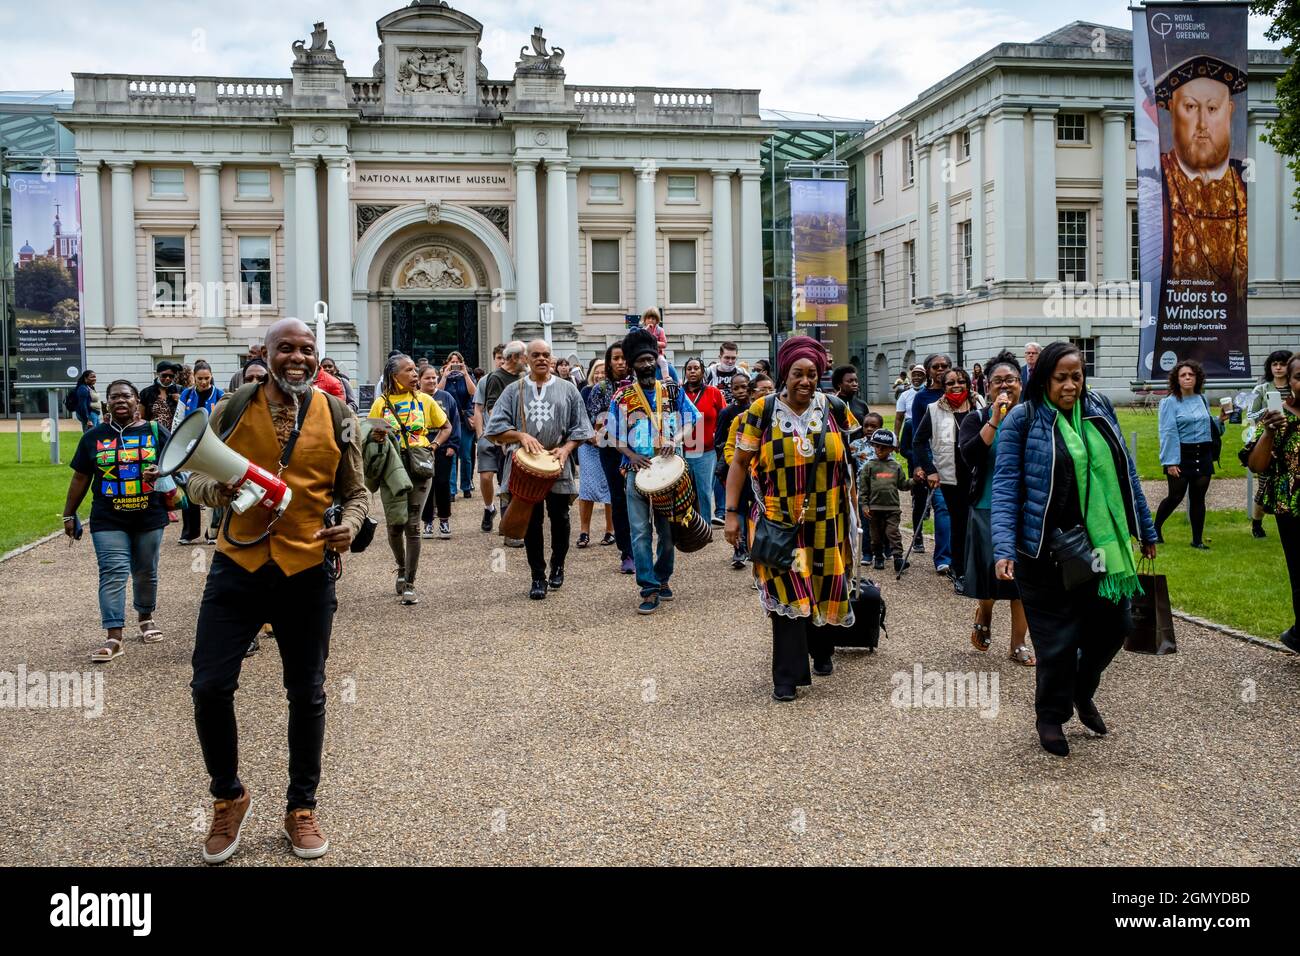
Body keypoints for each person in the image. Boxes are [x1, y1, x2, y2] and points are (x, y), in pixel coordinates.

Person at [186, 318, 368, 863]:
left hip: (307, 569)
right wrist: (215, 491)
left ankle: (301, 808)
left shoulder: (337, 413)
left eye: (306, 349)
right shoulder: (233, 406)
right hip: (236, 565)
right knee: (209, 686)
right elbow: (188, 477)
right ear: (264, 354)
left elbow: (356, 492)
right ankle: (228, 796)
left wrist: (352, 526)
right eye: (285, 348)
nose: (297, 357)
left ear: (317, 356)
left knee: (307, 692)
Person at [992, 341, 1157, 757]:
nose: (1070, 386)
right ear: (1044, 379)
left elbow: (1125, 473)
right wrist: (1004, 547)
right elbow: (1007, 486)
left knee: (1114, 627)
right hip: (1043, 552)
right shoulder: (1022, 421)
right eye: (1061, 378)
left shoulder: (1099, 408)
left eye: (1076, 377)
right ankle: (1050, 716)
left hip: (1100, 548)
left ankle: (1082, 693)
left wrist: (1145, 528)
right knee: (1058, 643)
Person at [726, 335, 860, 702]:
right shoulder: (762, 411)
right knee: (789, 591)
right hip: (780, 525)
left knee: (822, 583)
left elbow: (851, 460)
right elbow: (739, 464)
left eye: (812, 374)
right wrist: (732, 514)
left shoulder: (834, 408)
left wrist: (855, 504)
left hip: (827, 523)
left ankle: (822, 649)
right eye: (798, 374)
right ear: (785, 375)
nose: (805, 381)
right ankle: (786, 677)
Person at [64, 380, 172, 663]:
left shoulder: (154, 431)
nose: (120, 400)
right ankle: (114, 637)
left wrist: (160, 471)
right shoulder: (93, 437)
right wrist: (69, 513)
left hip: (149, 515)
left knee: (145, 571)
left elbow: (179, 461)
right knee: (112, 572)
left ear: (137, 401)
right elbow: (80, 478)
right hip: (108, 517)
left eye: (126, 396)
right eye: (114, 397)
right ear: (106, 403)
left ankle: (146, 618)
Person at [1154, 57, 1249, 371]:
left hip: (1233, 342)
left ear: (1230, 112)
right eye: (1191, 108)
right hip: (1175, 337)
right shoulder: (1156, 182)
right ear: (1172, 111)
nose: (1202, 125)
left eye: (1212, 109)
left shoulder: (1245, 183)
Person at [485, 339, 593, 600]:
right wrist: (521, 436)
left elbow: (581, 428)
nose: (542, 359)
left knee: (561, 518)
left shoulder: (568, 390)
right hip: (525, 466)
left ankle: (558, 564)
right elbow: (495, 428)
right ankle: (537, 576)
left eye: (546, 354)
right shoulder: (514, 390)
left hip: (557, 462)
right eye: (536, 355)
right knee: (531, 522)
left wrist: (566, 450)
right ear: (526, 359)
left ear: (552, 359)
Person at [607, 328, 699, 614]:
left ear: (657, 359)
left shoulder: (673, 390)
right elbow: (612, 434)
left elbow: (693, 420)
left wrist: (677, 439)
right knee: (639, 531)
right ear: (633, 365)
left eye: (650, 359)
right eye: (640, 361)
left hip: (669, 469)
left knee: (668, 531)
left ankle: (663, 577)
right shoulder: (622, 396)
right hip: (637, 470)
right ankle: (647, 587)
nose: (646, 365)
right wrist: (631, 455)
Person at [958, 352, 1033, 666]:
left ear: (1020, 383)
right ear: (987, 387)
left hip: (1025, 509)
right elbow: (970, 456)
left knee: (1023, 582)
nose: (1006, 386)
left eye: (1011, 380)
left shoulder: (1033, 416)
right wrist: (995, 419)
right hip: (987, 506)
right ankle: (985, 612)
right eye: (998, 381)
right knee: (991, 577)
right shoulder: (976, 418)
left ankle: (1018, 644)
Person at [369, 354, 452, 604]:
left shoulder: (426, 401)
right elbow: (371, 438)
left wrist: (434, 446)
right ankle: (401, 567)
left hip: (419, 465)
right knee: (395, 524)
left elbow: (446, 426)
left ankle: (410, 582)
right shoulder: (380, 404)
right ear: (395, 376)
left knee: (413, 524)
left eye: (416, 370)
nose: (415, 374)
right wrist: (378, 437)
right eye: (409, 370)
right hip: (391, 468)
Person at [1246, 354, 1300, 652]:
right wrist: (1268, 431)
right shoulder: (1277, 416)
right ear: (1288, 383)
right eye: (1299, 377)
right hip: (1291, 507)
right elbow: (1256, 464)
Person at [914, 364, 982, 587]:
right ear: (943, 386)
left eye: (961, 381)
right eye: (951, 382)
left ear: (968, 383)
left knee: (980, 522)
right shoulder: (935, 408)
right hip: (951, 475)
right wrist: (930, 470)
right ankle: (959, 570)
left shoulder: (979, 403)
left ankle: (978, 568)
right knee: (960, 523)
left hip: (979, 472)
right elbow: (918, 441)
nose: (956, 386)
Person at [1154, 359, 1227, 550]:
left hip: (1203, 453)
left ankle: (1197, 540)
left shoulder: (1201, 399)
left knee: (1198, 498)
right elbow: (1168, 432)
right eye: (1183, 375)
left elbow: (1205, 424)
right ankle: (1154, 530)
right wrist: (1171, 462)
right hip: (1181, 454)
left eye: (1191, 375)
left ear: (1197, 378)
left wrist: (1219, 419)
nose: (1187, 378)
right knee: (1175, 496)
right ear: (1176, 379)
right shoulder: (1169, 403)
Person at [474, 340, 525, 535]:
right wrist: (481, 437)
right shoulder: (491, 379)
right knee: (487, 476)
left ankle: (507, 522)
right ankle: (489, 508)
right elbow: (483, 409)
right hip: (492, 435)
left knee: (509, 481)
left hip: (512, 438)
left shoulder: (524, 377)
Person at [592, 342, 635, 573]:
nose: (620, 362)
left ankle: (640, 547)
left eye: (624, 358)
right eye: (616, 358)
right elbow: (596, 424)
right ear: (609, 362)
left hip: (639, 450)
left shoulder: (640, 385)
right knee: (618, 499)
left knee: (639, 498)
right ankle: (626, 552)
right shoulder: (601, 389)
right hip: (611, 451)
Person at [909, 354, 954, 568]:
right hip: (935, 461)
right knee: (942, 508)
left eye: (945, 366)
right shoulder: (922, 398)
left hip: (959, 459)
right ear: (928, 370)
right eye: (936, 366)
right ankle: (943, 559)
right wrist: (922, 465)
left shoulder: (960, 393)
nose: (940, 369)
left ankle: (960, 556)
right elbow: (918, 435)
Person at [173, 360, 225, 545]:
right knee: (189, 488)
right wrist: (176, 445)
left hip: (212, 447)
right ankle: (189, 532)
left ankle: (213, 532)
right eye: (199, 378)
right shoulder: (186, 395)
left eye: (207, 378)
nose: (203, 382)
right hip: (189, 448)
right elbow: (178, 421)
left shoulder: (220, 395)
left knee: (212, 487)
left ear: (211, 377)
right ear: (193, 377)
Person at [1244, 349, 1293, 537]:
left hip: (1292, 442)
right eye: (1275, 364)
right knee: (1264, 485)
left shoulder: (1295, 387)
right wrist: (1268, 411)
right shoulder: (1262, 389)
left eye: (1282, 364)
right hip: (1268, 444)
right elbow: (1250, 416)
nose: (1279, 368)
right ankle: (1257, 523)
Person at [855, 428, 912, 574]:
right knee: (875, 536)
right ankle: (878, 556)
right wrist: (864, 505)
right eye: (876, 446)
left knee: (893, 533)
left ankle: (898, 559)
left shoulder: (896, 466)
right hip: (874, 509)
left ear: (891, 449)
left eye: (883, 447)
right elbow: (863, 488)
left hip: (892, 508)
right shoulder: (869, 466)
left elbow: (903, 485)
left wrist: (915, 481)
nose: (879, 449)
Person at [681, 357, 727, 527]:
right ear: (685, 372)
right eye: (689, 369)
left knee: (704, 491)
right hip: (682, 450)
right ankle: (688, 527)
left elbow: (724, 416)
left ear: (702, 371)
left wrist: (718, 437)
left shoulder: (713, 393)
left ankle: (705, 526)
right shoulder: (678, 393)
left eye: (696, 368)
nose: (692, 371)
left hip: (706, 450)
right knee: (685, 491)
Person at [713, 371, 752, 568]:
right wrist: (731, 460)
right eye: (736, 388)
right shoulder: (727, 413)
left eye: (743, 387)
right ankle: (739, 549)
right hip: (735, 467)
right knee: (739, 509)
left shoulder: (757, 409)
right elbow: (719, 441)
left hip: (756, 469)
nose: (740, 391)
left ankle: (754, 547)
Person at [577, 356, 615, 548]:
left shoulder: (614, 392)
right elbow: (580, 416)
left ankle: (610, 530)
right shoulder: (585, 391)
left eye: (603, 371)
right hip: (589, 444)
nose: (600, 374)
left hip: (610, 445)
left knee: (610, 488)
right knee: (586, 488)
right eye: (597, 371)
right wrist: (590, 434)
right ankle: (584, 531)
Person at [419, 364, 460, 540]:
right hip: (420, 449)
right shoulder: (416, 398)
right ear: (419, 380)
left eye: (434, 377)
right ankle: (427, 521)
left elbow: (455, 421)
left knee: (442, 484)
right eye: (427, 377)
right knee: (425, 486)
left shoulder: (446, 397)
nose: (431, 380)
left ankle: (444, 520)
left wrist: (453, 445)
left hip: (444, 449)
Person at [438, 351, 477, 499]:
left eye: (457, 362)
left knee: (466, 456)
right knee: (451, 455)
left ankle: (466, 486)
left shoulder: (466, 376)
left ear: (462, 363)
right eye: (452, 362)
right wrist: (445, 375)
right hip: (448, 421)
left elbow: (473, 392)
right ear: (447, 363)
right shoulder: (444, 377)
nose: (455, 365)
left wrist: (465, 374)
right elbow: (438, 392)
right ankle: (451, 490)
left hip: (464, 421)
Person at [849, 410, 886, 566]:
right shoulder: (856, 446)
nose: (869, 429)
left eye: (873, 426)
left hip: (883, 489)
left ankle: (885, 548)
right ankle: (867, 553)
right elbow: (849, 464)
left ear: (881, 428)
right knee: (865, 521)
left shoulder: (886, 445)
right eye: (866, 426)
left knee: (883, 521)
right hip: (863, 490)